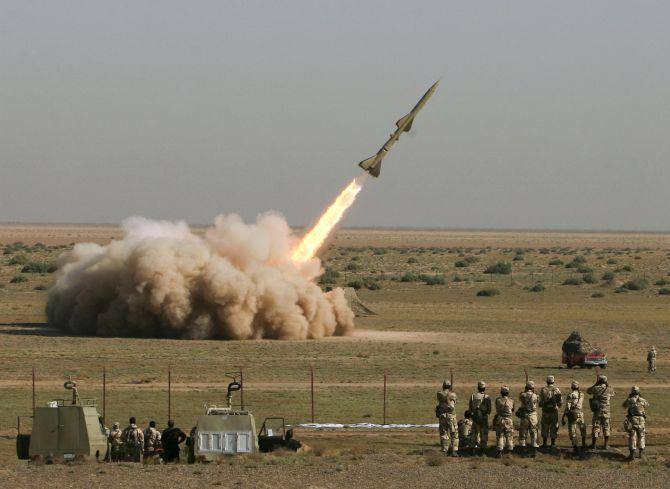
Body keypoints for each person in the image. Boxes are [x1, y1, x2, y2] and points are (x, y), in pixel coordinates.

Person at [587, 374, 615, 449]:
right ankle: (606, 445)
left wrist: (595, 384)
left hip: (597, 411)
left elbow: (588, 391)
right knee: (606, 427)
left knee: (596, 427)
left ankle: (594, 444)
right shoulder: (609, 389)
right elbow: (613, 393)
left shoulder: (595, 388)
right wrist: (607, 384)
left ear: (599, 381)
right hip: (606, 411)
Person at [622, 386, 650, 461]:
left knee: (632, 437)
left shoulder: (630, 400)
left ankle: (631, 455)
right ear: (638, 392)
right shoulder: (642, 400)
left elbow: (624, 406)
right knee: (641, 436)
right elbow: (647, 405)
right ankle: (641, 454)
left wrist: (629, 397)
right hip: (641, 420)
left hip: (633, 419)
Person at [562, 380, 587, 457]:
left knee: (572, 432)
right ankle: (583, 444)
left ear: (571, 387)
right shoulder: (582, 394)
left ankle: (575, 448)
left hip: (573, 414)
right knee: (582, 428)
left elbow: (567, 407)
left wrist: (563, 417)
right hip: (580, 413)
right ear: (578, 387)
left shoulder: (571, 395)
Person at [435, 380, 459, 457]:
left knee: (444, 433)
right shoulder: (453, 394)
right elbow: (455, 402)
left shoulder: (439, 394)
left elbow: (442, 397)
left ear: (443, 386)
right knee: (454, 433)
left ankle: (444, 450)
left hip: (442, 416)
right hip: (451, 416)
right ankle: (454, 450)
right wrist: (451, 392)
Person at [539, 375, 562, 450]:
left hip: (545, 411)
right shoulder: (557, 390)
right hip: (554, 411)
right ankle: (553, 443)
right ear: (553, 381)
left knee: (545, 426)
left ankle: (544, 443)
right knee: (554, 427)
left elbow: (540, 402)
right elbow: (560, 402)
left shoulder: (543, 390)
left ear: (547, 381)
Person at [468, 380, 491, 455]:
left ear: (478, 387)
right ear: (484, 388)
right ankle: (482, 450)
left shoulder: (473, 396)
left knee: (474, 434)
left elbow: (470, 408)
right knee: (483, 435)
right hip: (484, 418)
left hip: (475, 418)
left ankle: (472, 449)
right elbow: (489, 410)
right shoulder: (487, 397)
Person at [518, 381, 540, 457]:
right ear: (532, 388)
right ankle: (534, 451)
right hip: (533, 416)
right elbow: (537, 401)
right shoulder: (535, 395)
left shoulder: (522, 395)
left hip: (524, 415)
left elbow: (521, 397)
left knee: (523, 433)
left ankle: (523, 451)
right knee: (534, 433)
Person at [493, 385, 515, 458]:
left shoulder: (498, 400)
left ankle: (499, 452)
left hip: (500, 419)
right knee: (509, 436)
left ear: (501, 392)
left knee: (500, 435)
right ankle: (509, 452)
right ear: (508, 393)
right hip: (508, 419)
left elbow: (497, 408)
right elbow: (512, 410)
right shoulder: (511, 400)